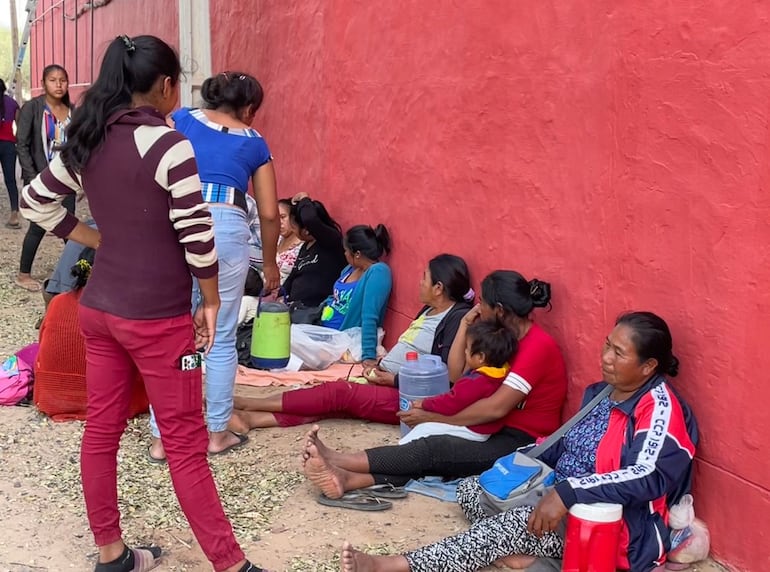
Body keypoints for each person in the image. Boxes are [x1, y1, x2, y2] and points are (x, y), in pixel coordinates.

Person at [20, 35, 266, 572]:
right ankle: (231, 565)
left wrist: (91, 238)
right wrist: (207, 302)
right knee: (183, 441)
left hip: (100, 308)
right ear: (163, 86)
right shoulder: (167, 143)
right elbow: (197, 233)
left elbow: (33, 200)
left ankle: (112, 553)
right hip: (158, 318)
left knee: (102, 430)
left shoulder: (87, 137)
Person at [338, 311, 699, 572]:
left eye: (618, 354)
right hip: (557, 493)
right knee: (474, 492)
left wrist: (568, 494)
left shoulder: (659, 408)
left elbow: (647, 475)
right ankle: (531, 553)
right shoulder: (603, 392)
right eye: (607, 345)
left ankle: (395, 565)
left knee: (504, 527)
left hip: (610, 523)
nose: (605, 358)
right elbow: (563, 443)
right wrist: (521, 465)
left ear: (649, 366)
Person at [300, 270, 566, 496]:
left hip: (522, 439)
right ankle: (347, 479)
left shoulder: (537, 347)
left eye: (483, 303)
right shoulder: (500, 338)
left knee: (436, 449)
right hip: (490, 425)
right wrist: (464, 324)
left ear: (499, 311)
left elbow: (496, 408)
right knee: (434, 450)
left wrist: (432, 416)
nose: (478, 308)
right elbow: (455, 375)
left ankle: (339, 460)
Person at [148, 70, 280, 461]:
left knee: (172, 333)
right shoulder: (256, 144)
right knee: (221, 336)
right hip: (227, 231)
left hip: (176, 223)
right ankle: (216, 434)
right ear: (249, 107)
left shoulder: (183, 119)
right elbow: (270, 214)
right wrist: (269, 261)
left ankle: (161, 438)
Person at [228, 253, 474, 430]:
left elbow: (446, 378)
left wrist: (394, 379)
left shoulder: (456, 318)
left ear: (439, 287)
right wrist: (381, 365)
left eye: (425, 278)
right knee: (332, 405)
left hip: (409, 396)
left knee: (338, 393)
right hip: (385, 378)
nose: (420, 283)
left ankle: (249, 403)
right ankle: (254, 419)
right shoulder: (428, 310)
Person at [34, 249, 149, 422]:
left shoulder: (57, 302)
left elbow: (42, 343)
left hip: (50, 397)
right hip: (108, 401)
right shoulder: (122, 307)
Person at [399, 319, 515, 445]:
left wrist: (425, 404)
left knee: (424, 428)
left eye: (468, 348)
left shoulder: (476, 381)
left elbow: (451, 401)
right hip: (486, 428)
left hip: (472, 429)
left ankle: (402, 450)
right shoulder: (501, 373)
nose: (465, 351)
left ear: (481, 357)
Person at [15, 64, 75, 292]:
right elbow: (23, 144)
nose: (58, 85)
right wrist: (32, 179)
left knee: (69, 225)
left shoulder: (73, 110)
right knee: (38, 225)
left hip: (66, 180)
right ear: (43, 83)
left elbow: (77, 146)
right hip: (42, 179)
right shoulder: (33, 108)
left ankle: (79, 270)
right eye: (53, 80)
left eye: (62, 80)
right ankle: (23, 274)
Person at [320, 224, 392, 366]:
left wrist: (368, 355)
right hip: (326, 332)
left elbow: (369, 316)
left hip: (343, 339)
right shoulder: (349, 269)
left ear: (357, 254)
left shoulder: (378, 272)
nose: (345, 254)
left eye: (346, 250)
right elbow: (335, 298)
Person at [282, 192, 346, 307]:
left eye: (294, 228)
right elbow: (294, 274)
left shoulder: (330, 241)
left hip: (316, 310)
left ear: (306, 230)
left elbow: (310, 219)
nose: (294, 232)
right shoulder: (305, 246)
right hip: (296, 307)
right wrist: (280, 293)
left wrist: (304, 199)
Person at [0, 79, 20, 229]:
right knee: (10, 180)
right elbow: (20, 126)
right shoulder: (12, 103)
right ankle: (14, 214)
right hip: (8, 145)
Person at [275, 197, 303, 284]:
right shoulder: (277, 239)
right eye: (275, 218)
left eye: (283, 217)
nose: (279, 222)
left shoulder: (302, 244)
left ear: (293, 218)